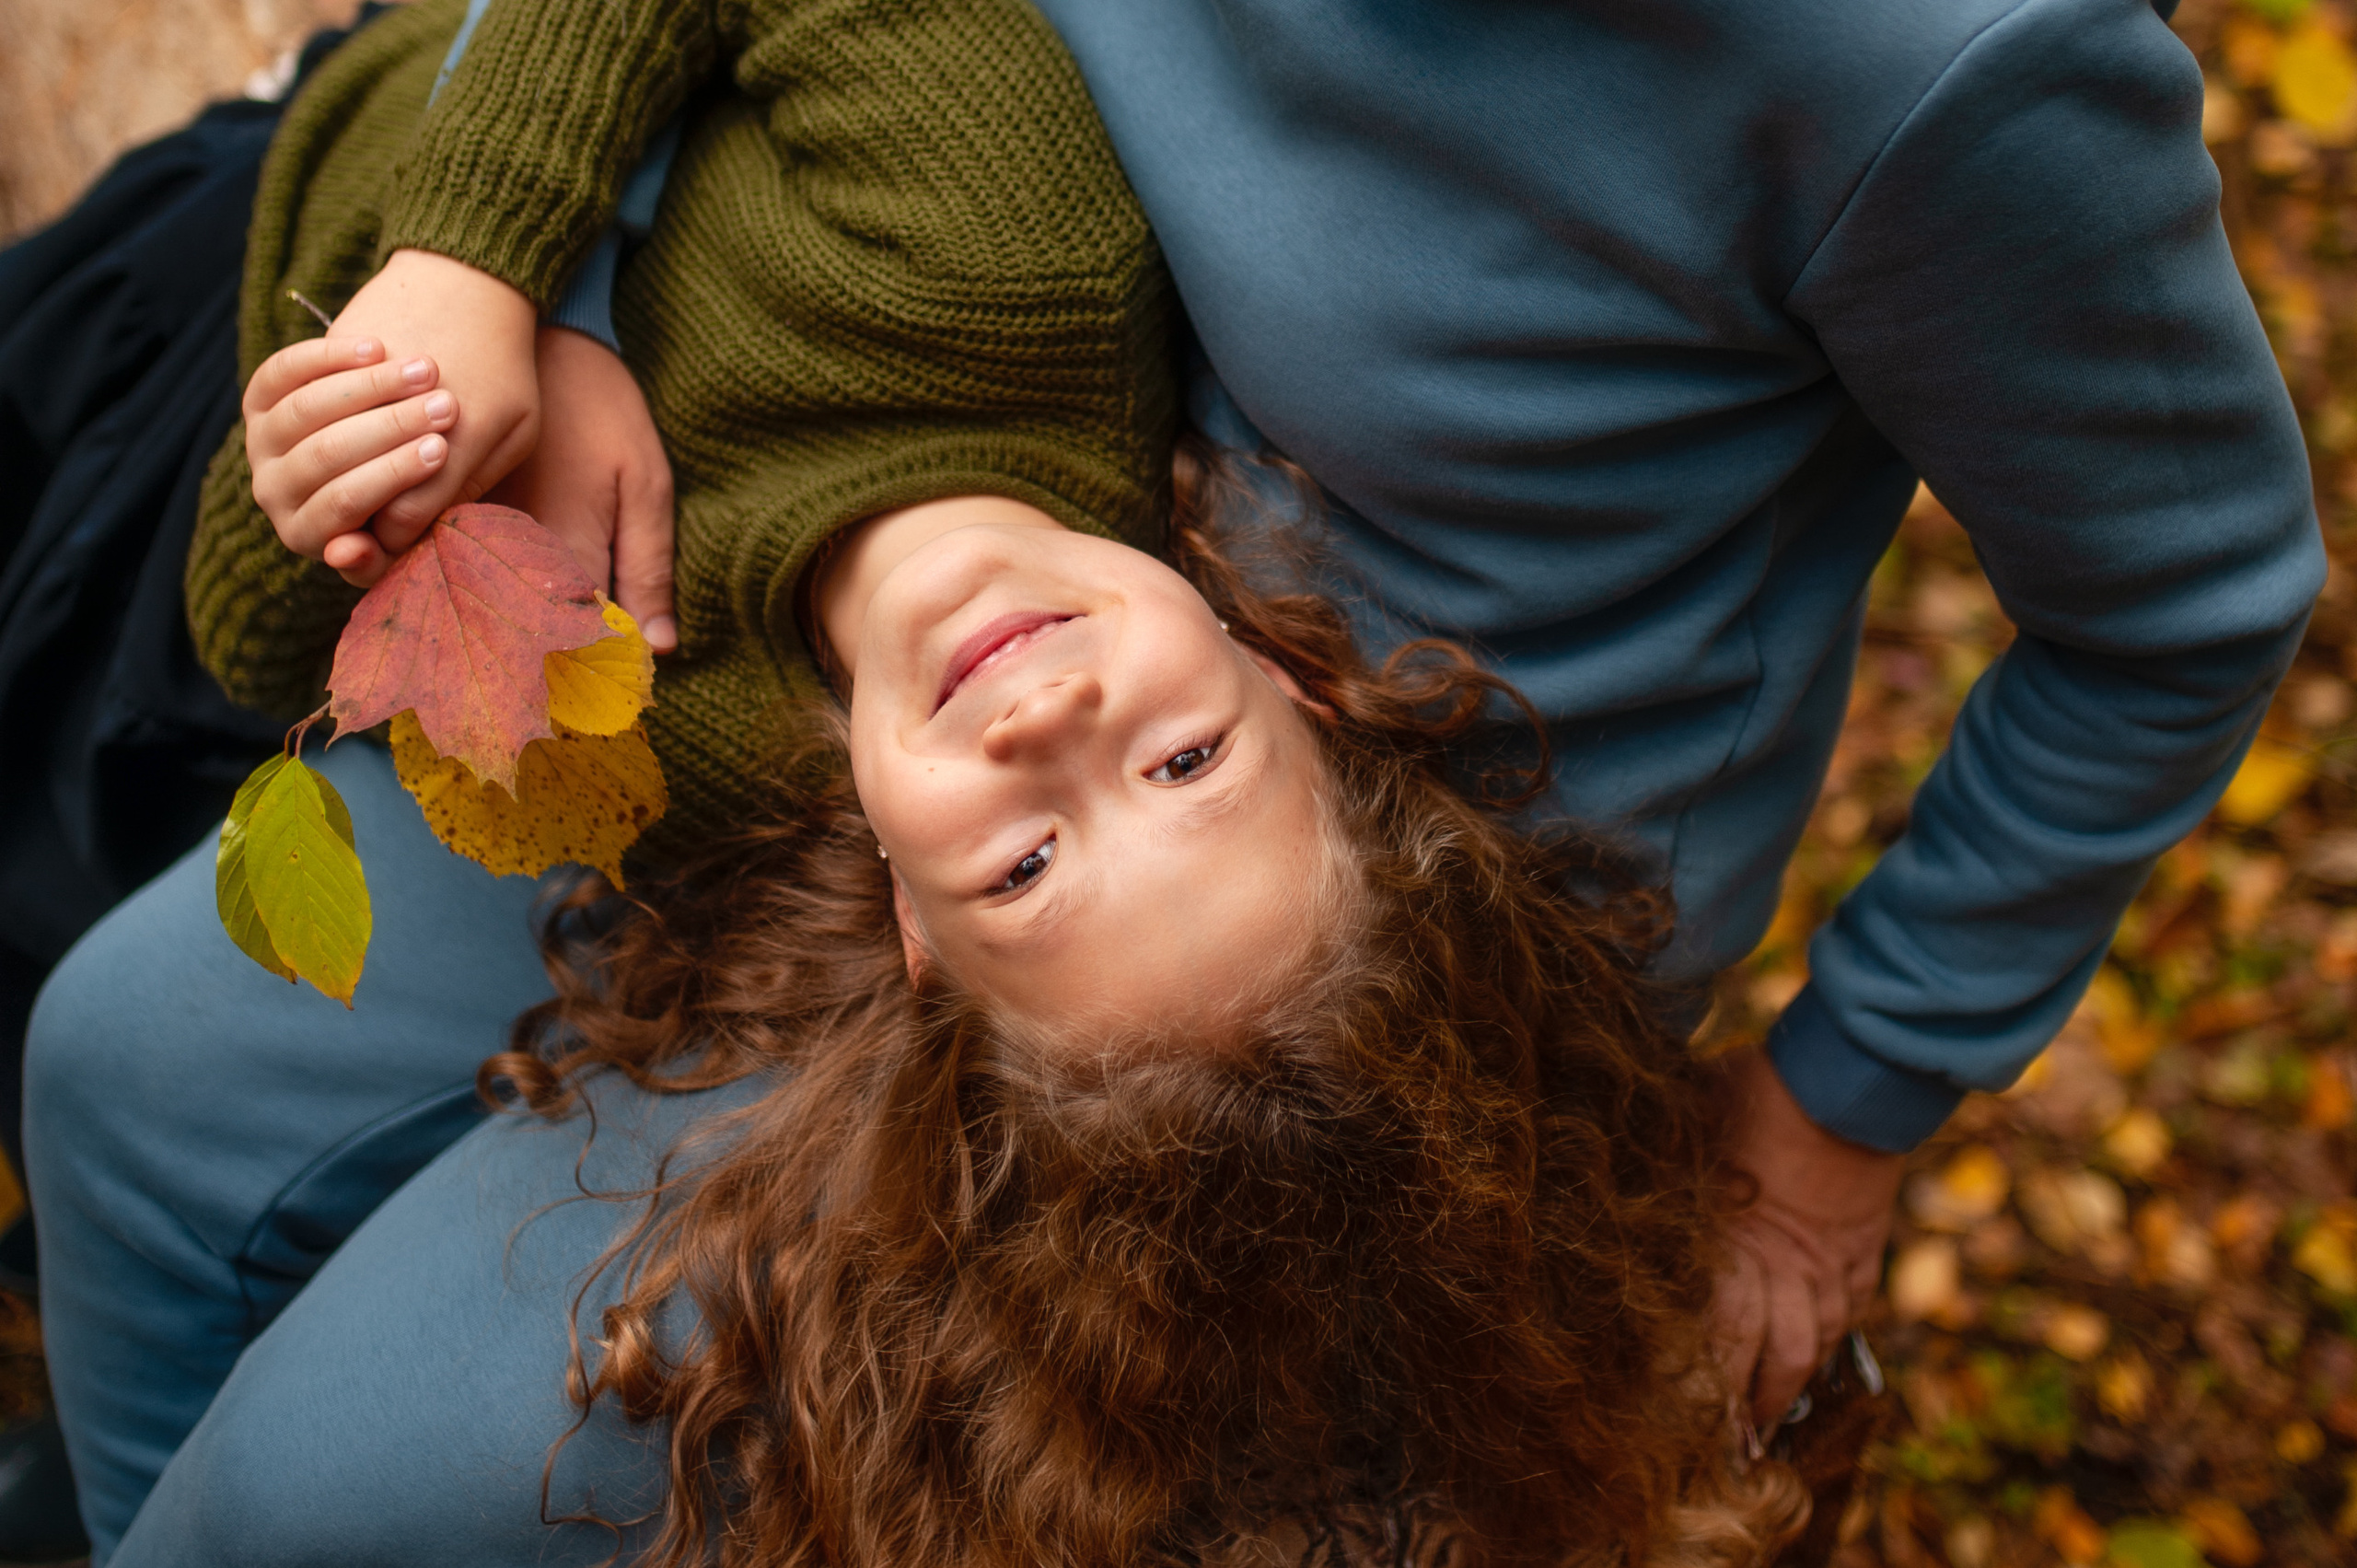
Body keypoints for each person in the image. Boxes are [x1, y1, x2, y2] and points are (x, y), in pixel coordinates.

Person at [27, 0, 2324, 1551]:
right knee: (136, 1074)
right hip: (870, 587)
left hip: (1278, 950)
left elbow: (2179, 603)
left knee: (334, 1492)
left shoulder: (1946, 70)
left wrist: (1840, 1123)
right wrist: (573, 298)